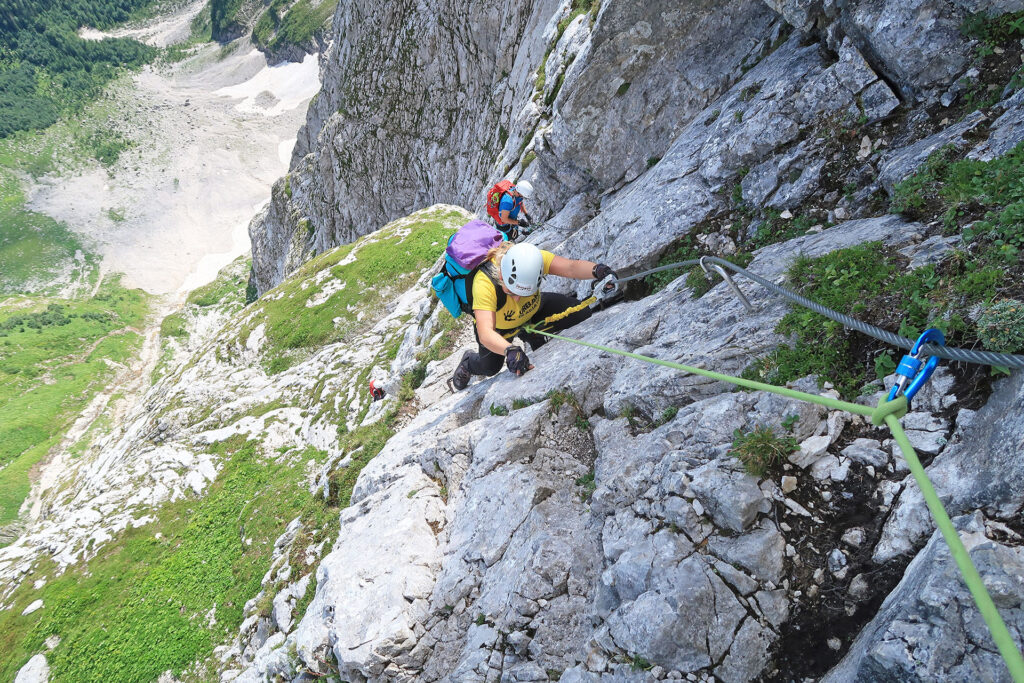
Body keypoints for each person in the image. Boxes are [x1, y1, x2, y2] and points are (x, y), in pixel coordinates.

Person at [448, 241, 616, 391]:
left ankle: (531, 334)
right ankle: (468, 363)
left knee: (581, 313)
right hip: (500, 330)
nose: (517, 298)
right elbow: (486, 333)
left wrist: (597, 270)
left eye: (524, 292)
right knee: (490, 367)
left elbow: (571, 267)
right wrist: (509, 350)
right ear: (501, 276)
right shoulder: (484, 284)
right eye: (511, 291)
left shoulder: (533, 260)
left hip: (534, 310)